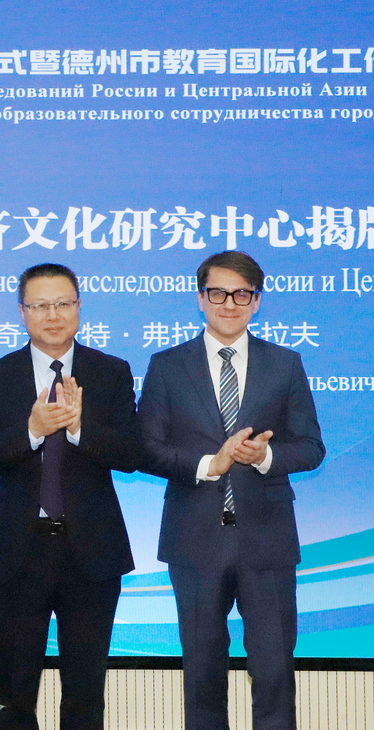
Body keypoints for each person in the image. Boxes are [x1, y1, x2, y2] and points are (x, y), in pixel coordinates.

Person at [139, 251, 325, 730]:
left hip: (267, 537)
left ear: (256, 301)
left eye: (242, 294)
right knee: (202, 670)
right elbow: (146, 449)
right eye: (218, 292)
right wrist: (209, 464)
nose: (229, 303)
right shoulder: (167, 365)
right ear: (201, 298)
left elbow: (311, 447)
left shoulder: (285, 364)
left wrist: (263, 456)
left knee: (274, 670)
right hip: (194, 538)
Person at [0, 263, 140, 730]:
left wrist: (80, 428)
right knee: (13, 694)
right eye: (41, 305)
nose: (53, 315)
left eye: (63, 304)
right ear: (23, 312)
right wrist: (32, 430)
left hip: (92, 553)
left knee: (85, 693)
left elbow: (131, 453)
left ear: (79, 308)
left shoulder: (110, 372)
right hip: (18, 553)